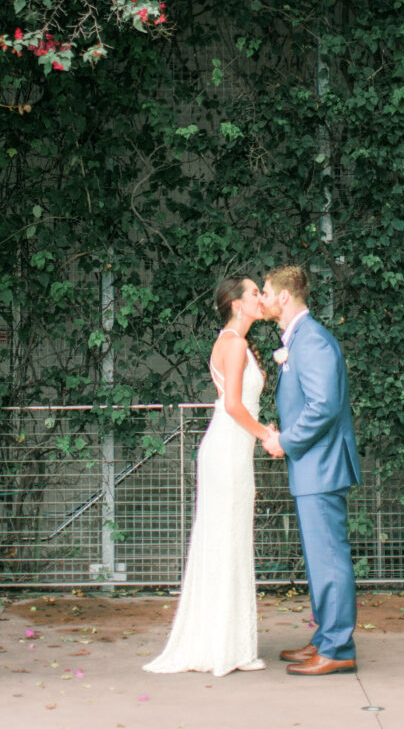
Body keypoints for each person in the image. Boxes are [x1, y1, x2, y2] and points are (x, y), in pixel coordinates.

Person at [144, 275, 270, 676]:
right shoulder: (232, 344)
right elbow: (232, 404)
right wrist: (267, 434)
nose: (260, 298)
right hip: (228, 451)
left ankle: (231, 644)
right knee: (225, 541)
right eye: (254, 293)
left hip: (234, 451)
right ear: (236, 303)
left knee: (231, 542)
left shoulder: (238, 343)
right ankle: (222, 647)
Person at [260, 265, 362, 676]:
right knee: (320, 559)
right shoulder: (300, 339)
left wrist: (284, 441)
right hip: (312, 468)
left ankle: (338, 648)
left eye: (266, 291)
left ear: (284, 297)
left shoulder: (313, 340)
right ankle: (325, 638)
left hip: (321, 467)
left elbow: (323, 406)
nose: (263, 298)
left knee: (330, 559)